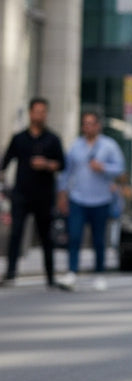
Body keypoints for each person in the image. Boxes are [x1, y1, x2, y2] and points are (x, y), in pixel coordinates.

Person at [56, 111, 126, 292]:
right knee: (74, 236)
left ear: (98, 126)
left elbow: (120, 168)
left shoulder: (109, 146)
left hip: (101, 199)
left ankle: (100, 273)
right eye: (85, 124)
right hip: (78, 198)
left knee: (98, 239)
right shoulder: (75, 146)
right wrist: (62, 194)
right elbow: (66, 172)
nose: (88, 127)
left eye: (91, 123)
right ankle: (71, 273)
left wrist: (103, 167)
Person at [1, 98, 65, 287]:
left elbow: (62, 164)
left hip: (44, 196)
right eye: (37, 111)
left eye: (43, 112)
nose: (40, 115)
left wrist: (46, 164)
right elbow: (4, 163)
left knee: (46, 236)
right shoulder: (19, 138)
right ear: (30, 113)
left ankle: (50, 277)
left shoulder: (53, 139)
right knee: (16, 234)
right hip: (21, 194)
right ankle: (11, 273)